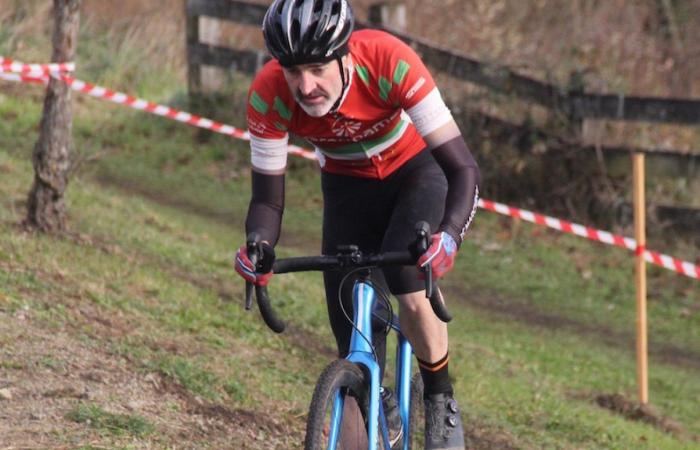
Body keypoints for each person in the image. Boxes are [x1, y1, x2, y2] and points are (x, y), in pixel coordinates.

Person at [234, 1, 480, 449]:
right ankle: (371, 392)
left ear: (345, 54)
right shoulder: (268, 93)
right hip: (348, 188)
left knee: (408, 282)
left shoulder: (388, 61)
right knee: (350, 342)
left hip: (417, 173)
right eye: (293, 71)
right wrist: (257, 245)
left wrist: (449, 235)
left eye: (316, 68)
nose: (305, 86)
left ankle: (440, 399)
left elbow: (463, 169)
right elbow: (267, 200)